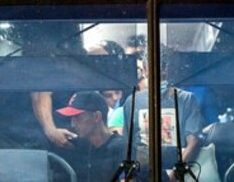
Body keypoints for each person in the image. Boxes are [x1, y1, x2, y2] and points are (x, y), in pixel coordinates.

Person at [122, 46, 204, 181]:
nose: (158, 74)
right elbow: (127, 145)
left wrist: (173, 174)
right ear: (144, 70)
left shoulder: (186, 99)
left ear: (168, 71)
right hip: (142, 173)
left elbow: (193, 141)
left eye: (162, 69)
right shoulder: (132, 101)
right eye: (151, 69)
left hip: (176, 172)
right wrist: (130, 176)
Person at [56, 91, 125, 182]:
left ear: (96, 116)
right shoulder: (78, 146)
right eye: (71, 118)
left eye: (77, 117)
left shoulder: (120, 149)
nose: (73, 124)